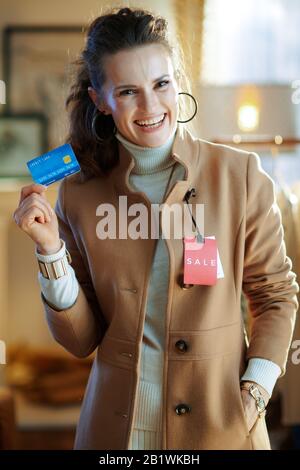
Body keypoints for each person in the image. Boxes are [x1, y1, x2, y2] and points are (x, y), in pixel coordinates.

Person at [13, 6, 299, 450]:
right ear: (100, 100)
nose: (150, 107)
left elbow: (275, 294)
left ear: (178, 80)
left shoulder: (240, 176)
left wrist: (255, 393)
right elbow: (80, 339)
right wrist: (50, 251)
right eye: (128, 91)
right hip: (117, 434)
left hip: (222, 428)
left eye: (161, 83)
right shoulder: (78, 192)